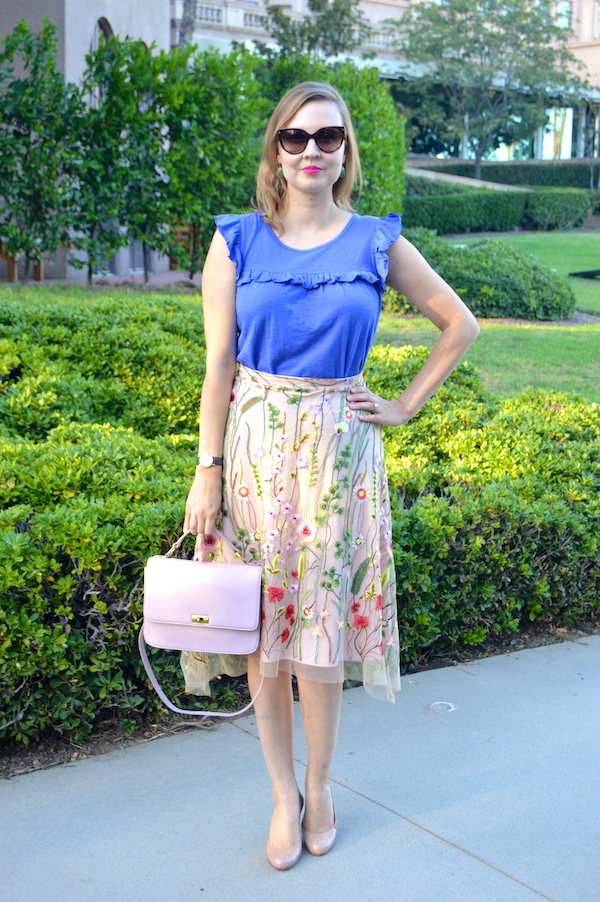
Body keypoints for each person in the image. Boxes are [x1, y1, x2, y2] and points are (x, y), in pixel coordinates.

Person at [183, 81, 479, 870]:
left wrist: (405, 405)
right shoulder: (236, 241)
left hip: (339, 460)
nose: (311, 150)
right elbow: (218, 365)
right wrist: (207, 469)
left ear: (346, 151)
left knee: (317, 637)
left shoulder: (376, 242)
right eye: (296, 137)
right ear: (276, 151)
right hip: (253, 455)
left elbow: (460, 324)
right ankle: (282, 794)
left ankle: (320, 786)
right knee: (263, 637)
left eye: (328, 136)